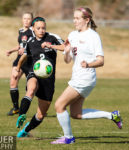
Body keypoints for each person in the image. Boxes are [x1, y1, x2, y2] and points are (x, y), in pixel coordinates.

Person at [50, 7, 123, 144]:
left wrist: (88, 65)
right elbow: (67, 61)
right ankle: (112, 115)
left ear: (87, 20)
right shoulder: (72, 35)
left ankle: (69, 138)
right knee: (76, 114)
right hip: (77, 77)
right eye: (74, 18)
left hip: (85, 78)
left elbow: (101, 61)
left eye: (77, 18)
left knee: (59, 105)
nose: (74, 21)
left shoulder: (93, 36)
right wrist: (66, 52)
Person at [13, 17, 64, 138]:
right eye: (38, 28)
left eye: (43, 28)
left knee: (41, 115)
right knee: (31, 89)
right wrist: (18, 67)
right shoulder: (30, 41)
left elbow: (65, 47)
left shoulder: (52, 37)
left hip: (49, 80)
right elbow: (25, 55)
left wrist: (52, 46)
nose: (41, 30)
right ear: (33, 29)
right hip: (34, 73)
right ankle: (22, 114)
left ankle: (26, 129)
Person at [6, 12, 34, 116]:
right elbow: (20, 46)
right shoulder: (21, 31)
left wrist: (27, 49)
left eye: (28, 19)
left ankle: (39, 107)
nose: (26, 20)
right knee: (13, 82)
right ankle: (16, 108)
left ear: (32, 20)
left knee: (31, 87)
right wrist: (11, 50)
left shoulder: (34, 31)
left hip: (29, 61)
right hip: (19, 59)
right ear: (22, 20)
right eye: (24, 18)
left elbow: (34, 45)